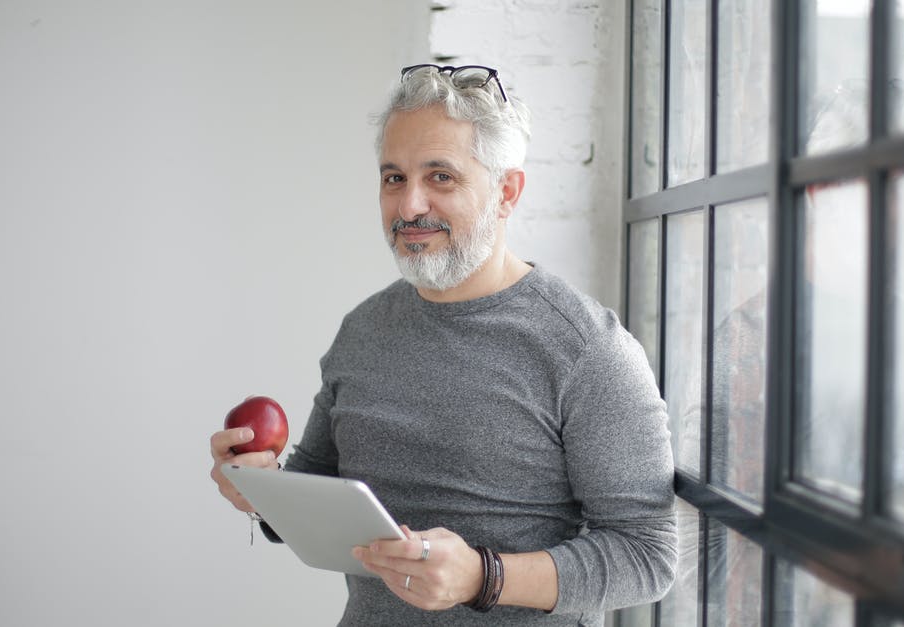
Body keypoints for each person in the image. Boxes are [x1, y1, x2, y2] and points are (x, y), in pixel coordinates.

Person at [208, 63, 677, 626]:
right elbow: (320, 490)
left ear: (506, 191)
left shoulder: (587, 350)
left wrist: (483, 576)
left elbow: (647, 555)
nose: (410, 207)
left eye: (441, 177)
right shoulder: (363, 330)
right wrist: (262, 488)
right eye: (394, 179)